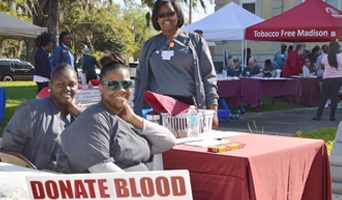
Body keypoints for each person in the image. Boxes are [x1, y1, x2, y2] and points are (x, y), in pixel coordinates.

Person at [56, 52, 176, 173]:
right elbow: (102, 168)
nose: (121, 90)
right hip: (119, 189)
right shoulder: (94, 118)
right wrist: (138, 189)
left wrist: (133, 118)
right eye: (113, 85)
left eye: (126, 84)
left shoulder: (127, 121)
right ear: (101, 88)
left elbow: (167, 141)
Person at [133, 0, 219, 129]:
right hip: (158, 113)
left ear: (178, 15)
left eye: (170, 13)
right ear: (156, 19)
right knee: (160, 148)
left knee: (188, 146)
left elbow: (209, 77)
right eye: (161, 15)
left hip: (191, 112)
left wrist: (213, 111)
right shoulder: (150, 45)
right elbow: (140, 79)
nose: (166, 18)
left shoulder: (195, 41)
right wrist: (137, 109)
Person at [0, 64, 81, 170]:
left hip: (70, 181)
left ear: (77, 87)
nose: (67, 89)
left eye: (72, 84)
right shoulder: (32, 110)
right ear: (50, 85)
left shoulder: (76, 116)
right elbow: (9, 150)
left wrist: (77, 111)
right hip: (35, 180)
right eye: (60, 84)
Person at [313, 42, 342, 121]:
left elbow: (322, 67)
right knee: (334, 98)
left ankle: (318, 116)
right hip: (337, 79)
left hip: (327, 79)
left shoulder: (325, 57)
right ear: (336, 48)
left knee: (323, 98)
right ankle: (332, 117)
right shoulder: (340, 57)